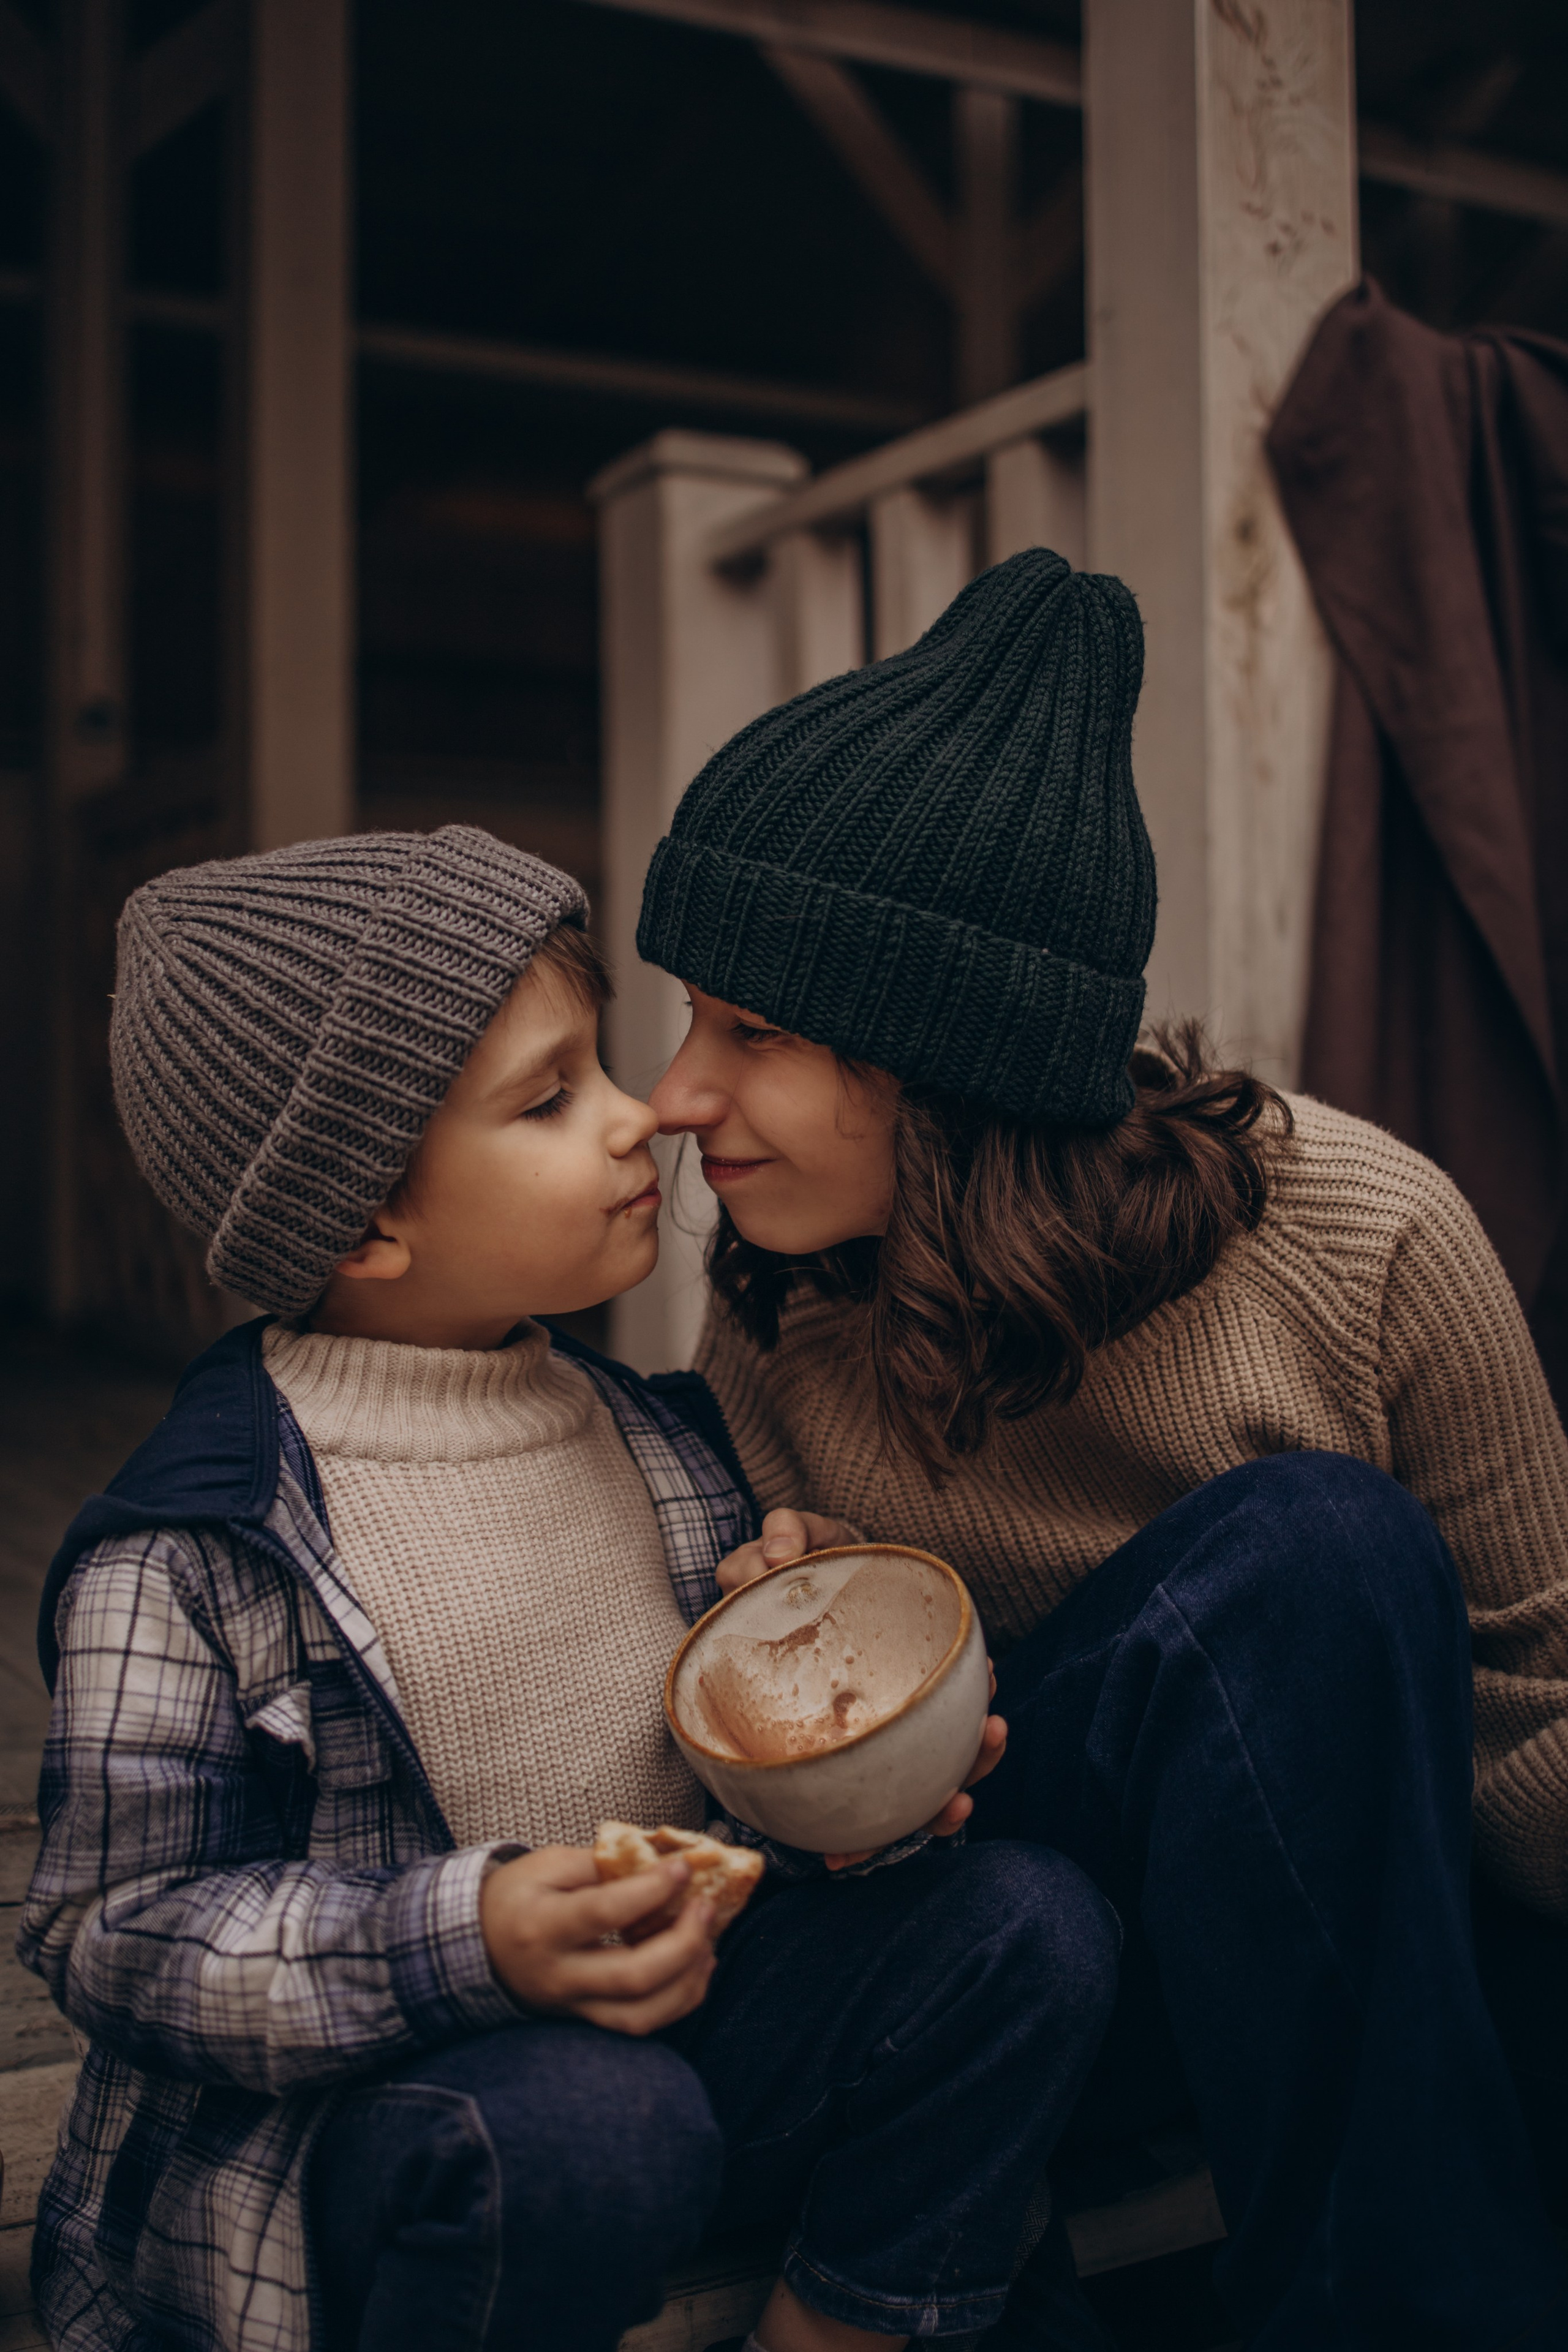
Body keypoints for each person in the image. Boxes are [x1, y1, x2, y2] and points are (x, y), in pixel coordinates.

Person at [638, 548, 1568, 2350]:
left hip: (1347, 1910)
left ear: (944, 1058)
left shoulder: (1363, 1239)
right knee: (1302, 1558)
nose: (678, 1097)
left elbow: (1536, 1706)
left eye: (748, 1032)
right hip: (1027, 1938)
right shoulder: (779, 1299)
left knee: (1318, 1551)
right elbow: (870, 1825)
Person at [19, 826, 1117, 2352]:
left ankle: (845, 2319)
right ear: (360, 1223)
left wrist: (828, 1791)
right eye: (550, 1100)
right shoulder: (197, 1550)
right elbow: (119, 1933)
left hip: (692, 2039)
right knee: (601, 2122)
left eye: (602, 1068)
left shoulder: (657, 1443)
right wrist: (468, 1936)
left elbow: (706, 1829)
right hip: (410, 2129)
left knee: (1023, 1920)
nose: (640, 1122)